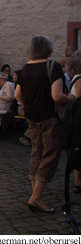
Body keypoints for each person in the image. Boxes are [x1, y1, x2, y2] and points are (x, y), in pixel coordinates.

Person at [15, 35, 75, 213]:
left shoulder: (25, 68)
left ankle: (36, 194)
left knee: (37, 153)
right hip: (49, 116)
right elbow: (57, 96)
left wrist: (29, 106)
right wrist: (70, 98)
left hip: (32, 116)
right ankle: (36, 197)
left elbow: (18, 95)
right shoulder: (53, 66)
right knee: (50, 154)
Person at [68, 50, 81, 193]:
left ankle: (78, 181)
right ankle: (78, 182)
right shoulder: (80, 79)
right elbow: (79, 100)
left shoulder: (76, 77)